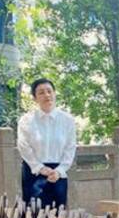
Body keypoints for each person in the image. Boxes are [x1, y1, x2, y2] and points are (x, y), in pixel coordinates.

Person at [17, 78, 76, 208]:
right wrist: (40, 168)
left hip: (58, 173)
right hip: (34, 172)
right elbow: (23, 147)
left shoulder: (67, 120)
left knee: (56, 216)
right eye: (41, 92)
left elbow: (70, 148)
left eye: (49, 91)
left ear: (55, 94)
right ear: (35, 98)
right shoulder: (26, 120)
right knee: (34, 216)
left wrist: (59, 171)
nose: (46, 95)